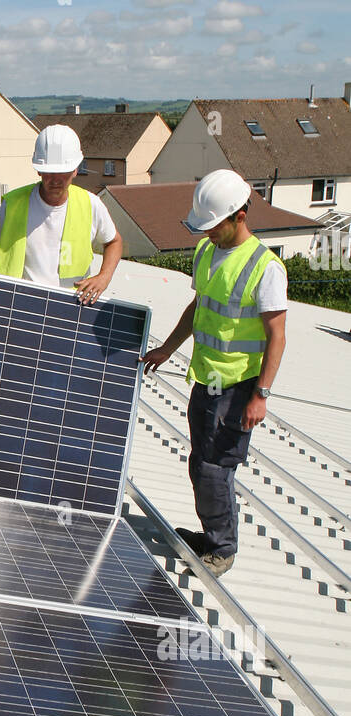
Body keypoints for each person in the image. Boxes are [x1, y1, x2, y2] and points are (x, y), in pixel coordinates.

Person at [141, 169, 288, 578]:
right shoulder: (207, 253)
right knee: (199, 464)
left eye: (214, 225)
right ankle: (209, 535)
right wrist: (168, 348)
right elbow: (198, 309)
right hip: (205, 380)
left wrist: (261, 395)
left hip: (239, 387)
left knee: (214, 468)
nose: (207, 234)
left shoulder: (265, 267)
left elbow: (277, 335)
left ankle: (222, 548)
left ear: (240, 215)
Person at [0, 124, 122, 303]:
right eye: (49, 172)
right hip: (20, 304)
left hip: (71, 308)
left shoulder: (90, 205)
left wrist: (104, 277)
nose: (55, 180)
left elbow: (114, 241)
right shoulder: (13, 204)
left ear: (75, 170)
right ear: (38, 170)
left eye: (62, 173)